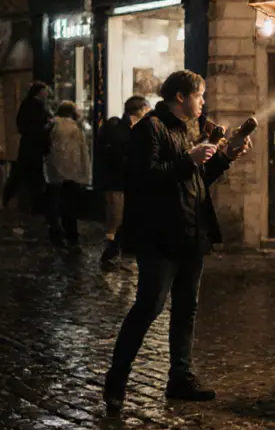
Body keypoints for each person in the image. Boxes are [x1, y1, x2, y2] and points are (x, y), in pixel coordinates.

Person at [104, 70, 254, 412]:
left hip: (192, 231)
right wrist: (188, 159)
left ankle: (180, 377)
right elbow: (144, 178)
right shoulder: (150, 128)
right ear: (181, 97)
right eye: (200, 95)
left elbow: (200, 179)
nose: (204, 102)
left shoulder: (193, 130)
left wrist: (226, 157)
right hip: (160, 235)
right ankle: (117, 378)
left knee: (187, 308)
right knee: (149, 306)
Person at [98, 96, 152, 269]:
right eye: (146, 110)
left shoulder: (132, 129)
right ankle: (110, 256)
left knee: (123, 220)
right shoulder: (118, 129)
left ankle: (116, 256)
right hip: (117, 181)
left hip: (127, 182)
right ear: (139, 110)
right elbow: (115, 156)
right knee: (116, 218)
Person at [45, 102, 92, 247]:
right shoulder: (76, 128)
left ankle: (55, 229)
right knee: (69, 203)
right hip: (72, 171)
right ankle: (70, 232)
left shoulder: (53, 125)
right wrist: (85, 173)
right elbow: (81, 151)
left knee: (54, 201)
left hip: (54, 169)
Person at [6, 81, 51, 212]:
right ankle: (32, 204)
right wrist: (45, 127)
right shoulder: (34, 105)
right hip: (33, 147)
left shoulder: (30, 104)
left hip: (30, 146)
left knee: (24, 173)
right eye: (45, 91)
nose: (47, 93)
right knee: (30, 174)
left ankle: (19, 200)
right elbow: (32, 125)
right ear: (39, 92)